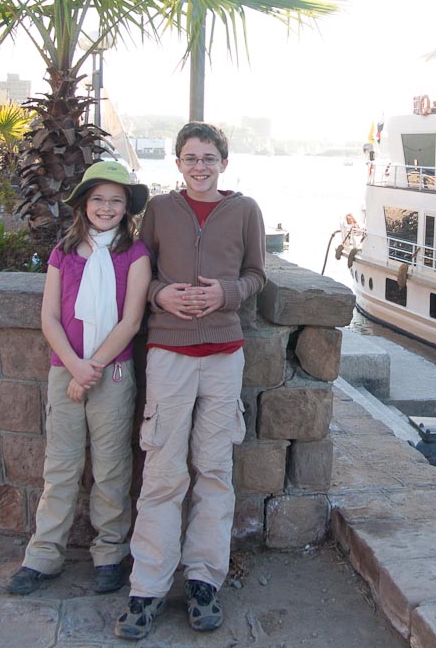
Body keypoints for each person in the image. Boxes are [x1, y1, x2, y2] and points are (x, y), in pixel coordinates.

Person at [115, 123, 266, 641]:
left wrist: (227, 294)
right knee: (162, 470)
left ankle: (204, 580)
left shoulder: (245, 211)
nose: (200, 166)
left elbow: (256, 274)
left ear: (224, 162)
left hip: (224, 354)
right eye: (190, 158)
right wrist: (161, 296)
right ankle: (148, 586)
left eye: (208, 158)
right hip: (169, 353)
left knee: (215, 469)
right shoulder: (160, 210)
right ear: (178, 163)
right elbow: (140, 272)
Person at [6, 160, 151, 597]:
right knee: (61, 466)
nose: (106, 208)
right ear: (84, 204)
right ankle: (43, 554)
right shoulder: (64, 252)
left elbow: (130, 322)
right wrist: (75, 366)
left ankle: (109, 552)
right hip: (65, 370)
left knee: (111, 467)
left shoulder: (135, 255)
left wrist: (93, 368)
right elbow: (49, 317)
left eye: (115, 201)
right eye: (98, 199)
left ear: (126, 208)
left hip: (113, 372)